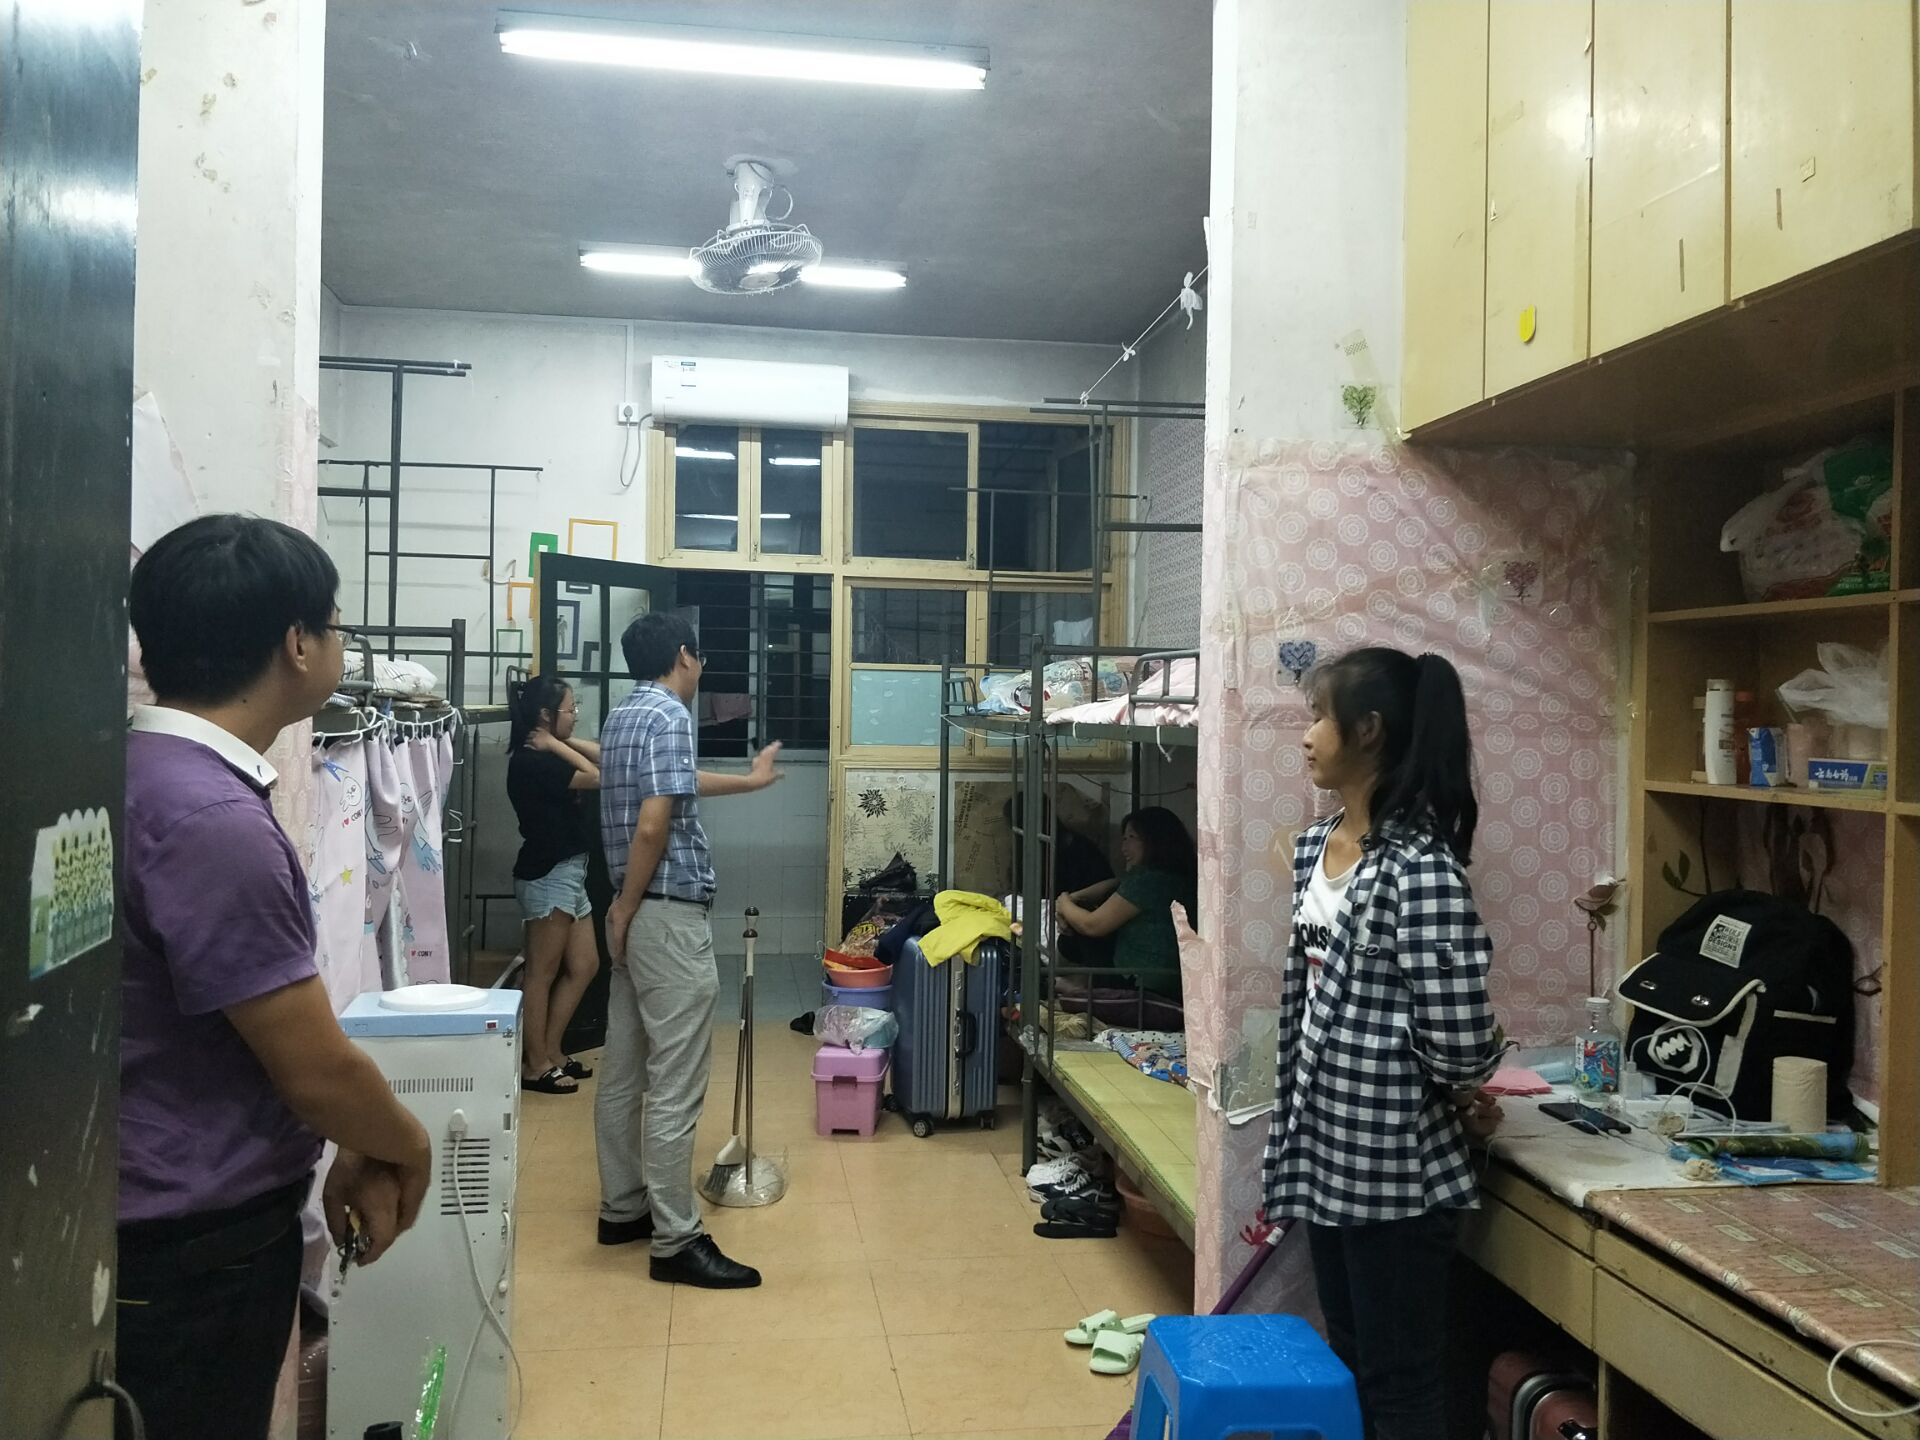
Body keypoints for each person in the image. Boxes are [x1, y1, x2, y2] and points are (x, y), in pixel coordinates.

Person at [119, 515, 433, 1440]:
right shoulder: (210, 820)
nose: (339, 645)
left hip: (144, 1218)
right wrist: (405, 1145)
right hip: (192, 1249)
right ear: (297, 645)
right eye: (334, 626)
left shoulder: (137, 773)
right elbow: (315, 1070)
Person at [1262, 648, 1503, 1440]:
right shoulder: (1316, 848)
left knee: (1400, 1382)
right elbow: (1311, 1003)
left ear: (1367, 730)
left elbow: (1459, 1036)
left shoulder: (1419, 868)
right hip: (1327, 1152)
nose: (1306, 735)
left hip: (1394, 1169)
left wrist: (1466, 1086)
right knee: (1352, 1358)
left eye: (1319, 717)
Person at [594, 612, 781, 1289]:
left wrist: (751, 782)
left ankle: (623, 1209)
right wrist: (628, 904)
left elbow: (678, 784)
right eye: (700, 658)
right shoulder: (671, 713)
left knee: (624, 1070)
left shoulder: (622, 716)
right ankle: (676, 1240)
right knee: (675, 1081)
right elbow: (655, 823)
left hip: (637, 915)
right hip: (665, 914)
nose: (701, 669)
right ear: (684, 656)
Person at [506, 675, 603, 1094]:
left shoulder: (548, 753)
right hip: (549, 874)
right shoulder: (533, 761)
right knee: (541, 973)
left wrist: (556, 740)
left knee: (585, 965)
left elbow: (602, 760)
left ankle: (551, 1051)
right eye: (570, 709)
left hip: (569, 871)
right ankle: (535, 1065)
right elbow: (595, 775)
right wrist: (551, 743)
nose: (575, 714)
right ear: (546, 715)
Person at [1054, 807, 1197, 1000]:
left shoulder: (1147, 880)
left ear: (1155, 839)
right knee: (1078, 919)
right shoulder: (1176, 875)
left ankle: (1083, 987)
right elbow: (1117, 883)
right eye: (1124, 839)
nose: (1124, 847)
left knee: (1082, 923)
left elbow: (1092, 925)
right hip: (1173, 981)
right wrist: (1072, 899)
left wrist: (1064, 903)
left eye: (1131, 838)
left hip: (1142, 984)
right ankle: (1083, 982)